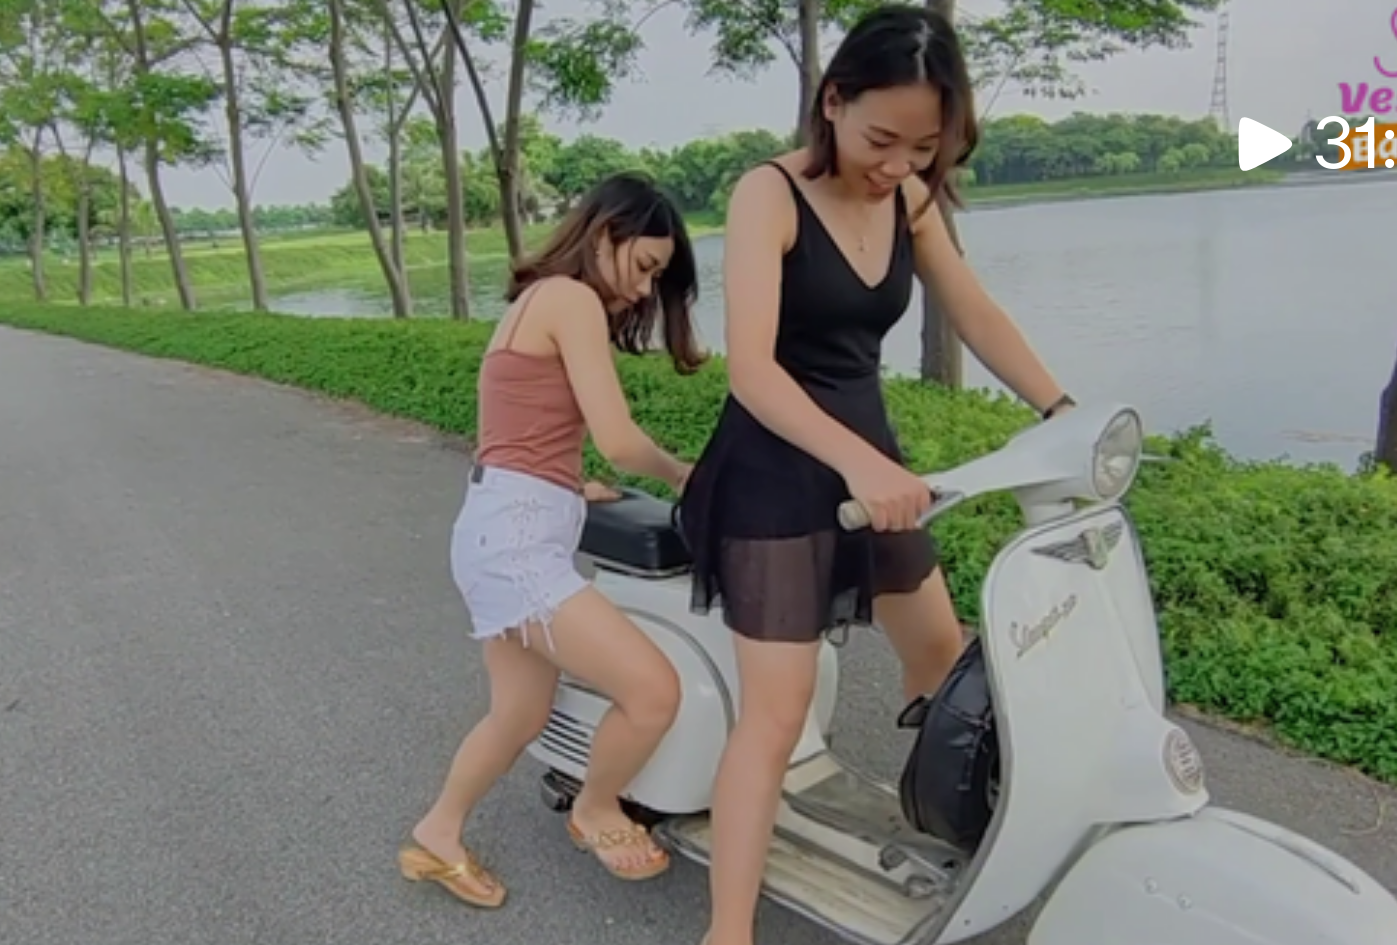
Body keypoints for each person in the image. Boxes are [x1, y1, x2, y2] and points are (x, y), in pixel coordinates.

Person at [674, 7, 1075, 944]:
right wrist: (860, 462)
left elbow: (975, 311)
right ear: (834, 102)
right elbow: (752, 370)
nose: (898, 165)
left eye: (924, 148)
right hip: (776, 476)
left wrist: (1063, 410)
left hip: (874, 469)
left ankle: (960, 844)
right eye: (881, 140)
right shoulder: (767, 195)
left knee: (945, 663)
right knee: (775, 717)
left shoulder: (912, 200)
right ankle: (727, 930)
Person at [399, 171, 704, 909]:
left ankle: (437, 835)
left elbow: (519, 432)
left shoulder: (539, 298)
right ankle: (596, 808)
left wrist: (568, 485)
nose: (643, 290)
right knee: (652, 691)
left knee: (519, 713)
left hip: (502, 527)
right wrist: (685, 475)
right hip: (518, 546)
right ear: (605, 235)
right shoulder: (571, 299)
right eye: (644, 267)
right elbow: (618, 438)